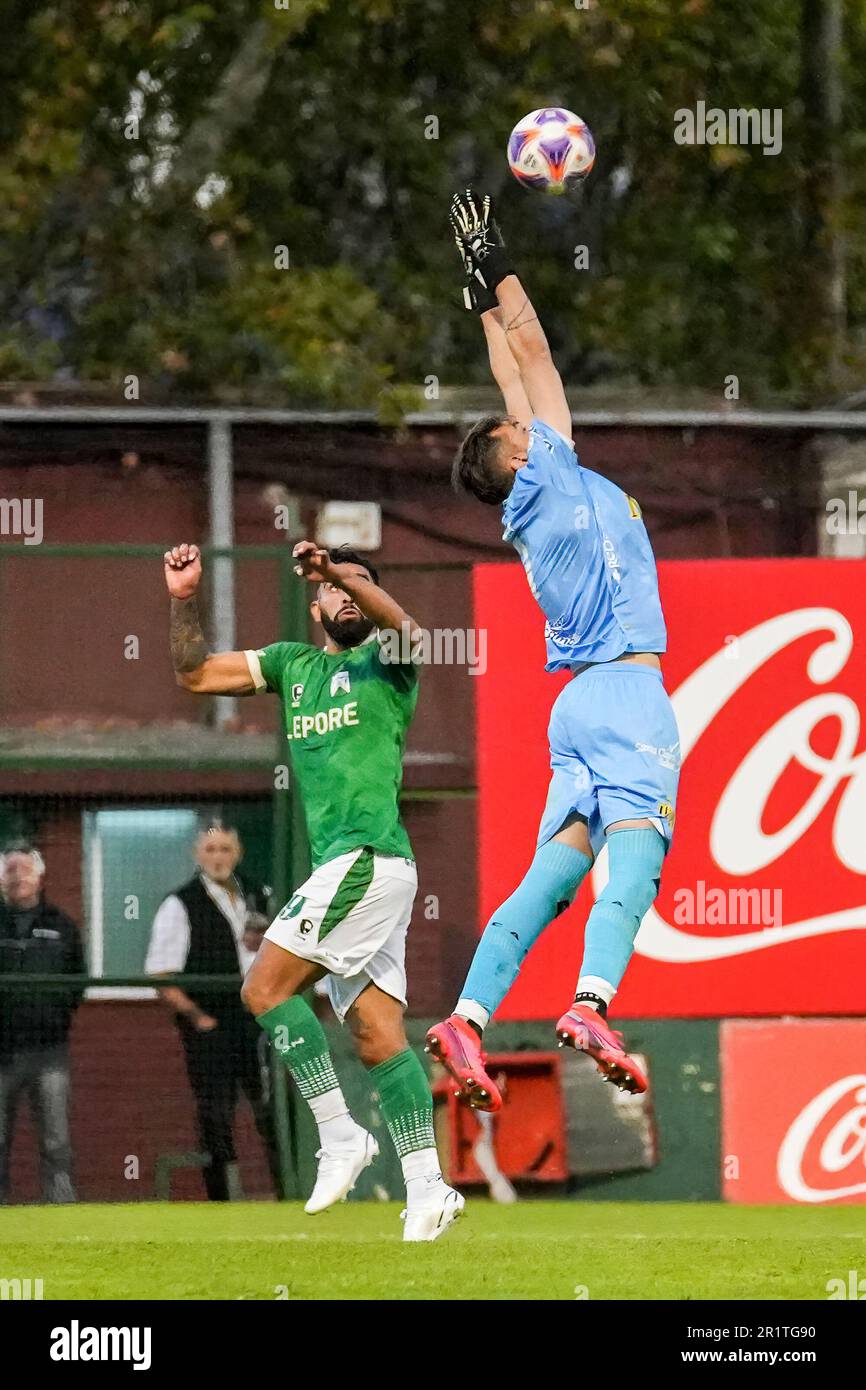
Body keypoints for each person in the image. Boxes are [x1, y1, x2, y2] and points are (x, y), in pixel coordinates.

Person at [427, 190, 681, 1109]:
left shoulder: (540, 489)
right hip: (624, 695)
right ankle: (591, 1003)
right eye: (518, 428)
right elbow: (532, 354)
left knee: (556, 871)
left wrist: (478, 298)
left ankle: (468, 1016)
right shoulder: (557, 473)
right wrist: (499, 261)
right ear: (519, 459)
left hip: (575, 708)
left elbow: (510, 365)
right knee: (637, 856)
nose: (527, 416)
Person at [163, 540, 463, 1242]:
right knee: (379, 1038)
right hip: (363, 871)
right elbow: (194, 675)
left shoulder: (386, 665)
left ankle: (339, 1136)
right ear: (315, 603)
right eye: (335, 585)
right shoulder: (293, 664)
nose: (347, 593)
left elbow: (412, 633)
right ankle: (427, 1187)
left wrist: (334, 569)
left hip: (366, 859)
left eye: (360, 583)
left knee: (263, 990)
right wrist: (182, 599)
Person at [146, 824, 282, 1201]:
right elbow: (160, 972)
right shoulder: (180, 903)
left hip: (259, 1022)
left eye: (225, 849)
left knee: (272, 1110)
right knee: (216, 1115)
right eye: (210, 849)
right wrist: (197, 1017)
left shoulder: (260, 895)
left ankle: (289, 1193)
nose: (218, 857)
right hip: (213, 1025)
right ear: (197, 855)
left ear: (236, 853)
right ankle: (220, 1200)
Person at [0, 841, 84, 1204]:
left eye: (24, 869)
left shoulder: (62, 925)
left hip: (49, 1050)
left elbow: (77, 980)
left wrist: (54, 1015)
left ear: (39, 875)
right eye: (9, 870)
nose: (17, 877)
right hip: (1, 1052)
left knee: (56, 1138)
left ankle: (61, 1210)